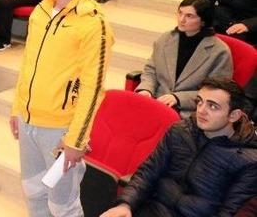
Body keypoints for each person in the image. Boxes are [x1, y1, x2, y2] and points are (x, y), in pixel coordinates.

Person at [10, 0, 113, 217]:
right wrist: (16, 108)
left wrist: (76, 139)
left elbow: (93, 88)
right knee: (33, 193)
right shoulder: (40, 11)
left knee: (62, 206)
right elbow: (27, 64)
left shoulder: (93, 23)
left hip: (60, 130)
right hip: (28, 120)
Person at [100, 78, 257, 217]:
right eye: (199, 102)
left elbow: (229, 211)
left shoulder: (248, 160)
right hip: (152, 209)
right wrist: (125, 204)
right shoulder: (180, 131)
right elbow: (148, 172)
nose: (201, 110)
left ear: (234, 115)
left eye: (213, 106)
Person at [136, 0, 233, 116]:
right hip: (156, 101)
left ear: (203, 21)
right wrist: (146, 89)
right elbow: (151, 70)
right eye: (180, 13)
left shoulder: (219, 51)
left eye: (189, 16)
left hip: (190, 111)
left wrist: (178, 98)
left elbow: (216, 92)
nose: (181, 19)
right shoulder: (165, 39)